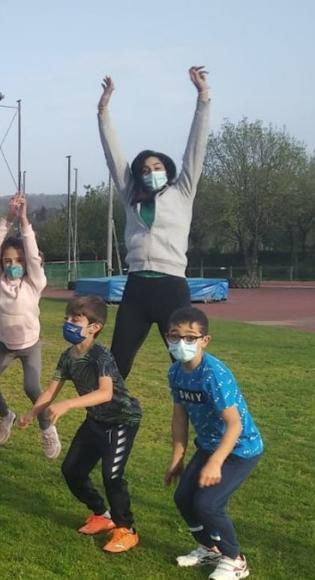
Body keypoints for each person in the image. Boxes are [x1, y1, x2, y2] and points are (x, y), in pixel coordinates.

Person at [97, 66, 211, 378]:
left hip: (171, 288)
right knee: (117, 363)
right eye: (145, 170)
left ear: (167, 170)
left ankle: (196, 405)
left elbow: (196, 149)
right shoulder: (131, 195)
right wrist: (103, 111)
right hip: (136, 288)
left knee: (186, 363)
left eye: (157, 167)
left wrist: (203, 97)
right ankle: (109, 409)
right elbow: (114, 158)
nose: (151, 172)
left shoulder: (182, 191)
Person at [20, 296, 143, 553]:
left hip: (122, 421)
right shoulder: (68, 356)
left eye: (75, 320)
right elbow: (51, 390)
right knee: (72, 470)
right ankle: (101, 514)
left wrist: (68, 404)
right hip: (95, 420)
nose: (68, 323)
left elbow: (105, 393)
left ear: (94, 327)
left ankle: (126, 529)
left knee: (112, 475)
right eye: (67, 318)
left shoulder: (100, 355)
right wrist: (32, 413)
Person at [164, 307, 263, 579]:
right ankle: (210, 548)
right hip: (208, 446)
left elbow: (235, 424)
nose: (182, 343)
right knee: (183, 498)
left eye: (190, 337)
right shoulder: (175, 373)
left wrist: (216, 462)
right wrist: (177, 458)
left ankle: (235, 560)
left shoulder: (213, 374)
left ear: (204, 340)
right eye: (175, 336)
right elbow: (179, 418)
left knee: (208, 504)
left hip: (240, 449)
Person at [0, 193, 60, 458]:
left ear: (25, 263)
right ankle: (6, 415)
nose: (12, 264)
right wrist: (7, 219)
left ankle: (47, 429)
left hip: (30, 345)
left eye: (17, 260)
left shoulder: (34, 282)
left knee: (32, 388)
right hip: (5, 345)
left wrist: (24, 220)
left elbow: (34, 255)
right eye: (7, 261)